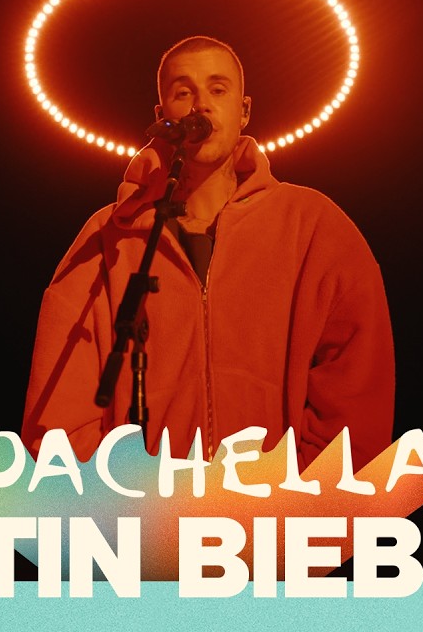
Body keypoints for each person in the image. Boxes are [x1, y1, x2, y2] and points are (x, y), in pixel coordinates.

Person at [20, 34, 395, 471]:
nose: (201, 105)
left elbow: (356, 384)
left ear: (244, 110)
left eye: (218, 90)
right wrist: (126, 498)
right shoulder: (109, 238)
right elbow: (59, 414)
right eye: (183, 93)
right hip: (143, 510)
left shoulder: (312, 225)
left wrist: (302, 492)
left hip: (281, 505)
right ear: (162, 116)